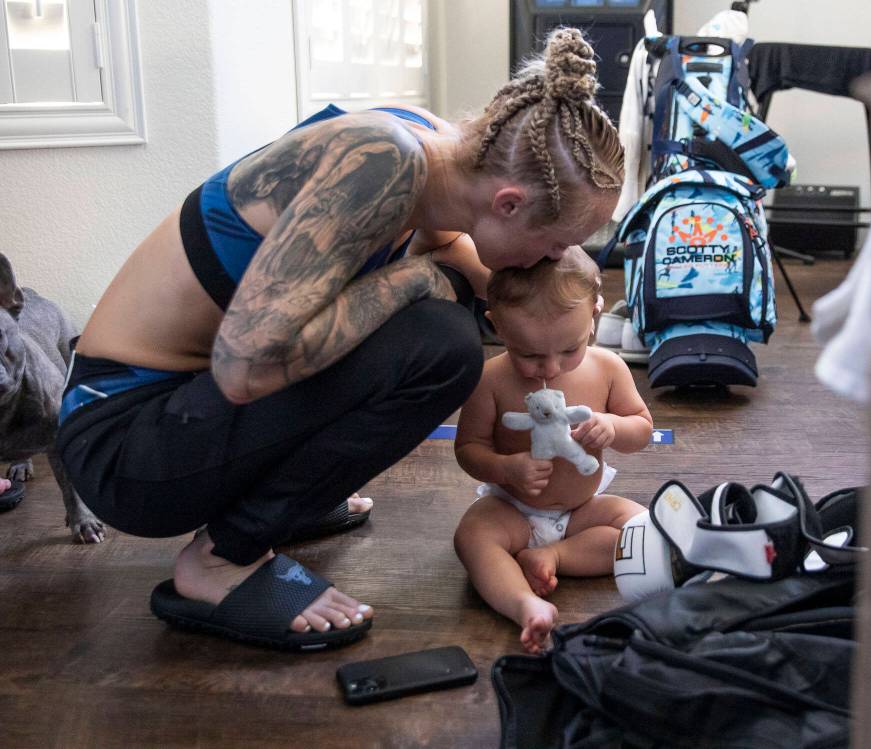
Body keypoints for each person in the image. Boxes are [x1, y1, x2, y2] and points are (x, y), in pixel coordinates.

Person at [54, 28, 625, 651]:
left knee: (447, 306)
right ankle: (219, 561)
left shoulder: (432, 151)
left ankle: (279, 504)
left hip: (185, 413)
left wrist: (560, 335)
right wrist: (414, 278)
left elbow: (459, 254)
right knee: (442, 344)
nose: (551, 259)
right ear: (509, 203)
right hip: (124, 449)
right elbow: (245, 368)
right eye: (551, 247)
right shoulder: (378, 164)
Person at [453, 246, 653, 653]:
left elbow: (642, 429)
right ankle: (523, 604)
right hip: (514, 509)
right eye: (529, 354)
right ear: (497, 327)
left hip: (582, 509)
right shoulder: (489, 380)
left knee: (643, 527)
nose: (551, 368)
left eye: (569, 350)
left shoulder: (608, 368)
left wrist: (612, 427)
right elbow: (468, 449)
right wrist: (506, 469)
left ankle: (556, 557)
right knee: (472, 535)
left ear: (594, 315)